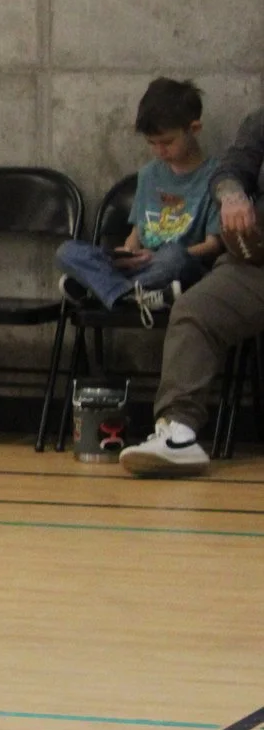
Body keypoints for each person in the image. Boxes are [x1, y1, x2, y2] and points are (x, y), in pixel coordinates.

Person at [122, 104, 264, 477]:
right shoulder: (259, 122)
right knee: (195, 310)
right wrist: (233, 196)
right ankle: (178, 433)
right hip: (255, 264)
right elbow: (230, 170)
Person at [56, 77, 221, 313]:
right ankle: (132, 294)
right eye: (151, 143)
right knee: (67, 251)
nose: (159, 151)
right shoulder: (149, 174)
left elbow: (213, 246)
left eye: (167, 142)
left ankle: (100, 291)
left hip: (180, 269)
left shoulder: (216, 177)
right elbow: (138, 232)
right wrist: (127, 253)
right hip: (142, 267)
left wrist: (156, 257)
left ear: (194, 129)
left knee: (172, 255)